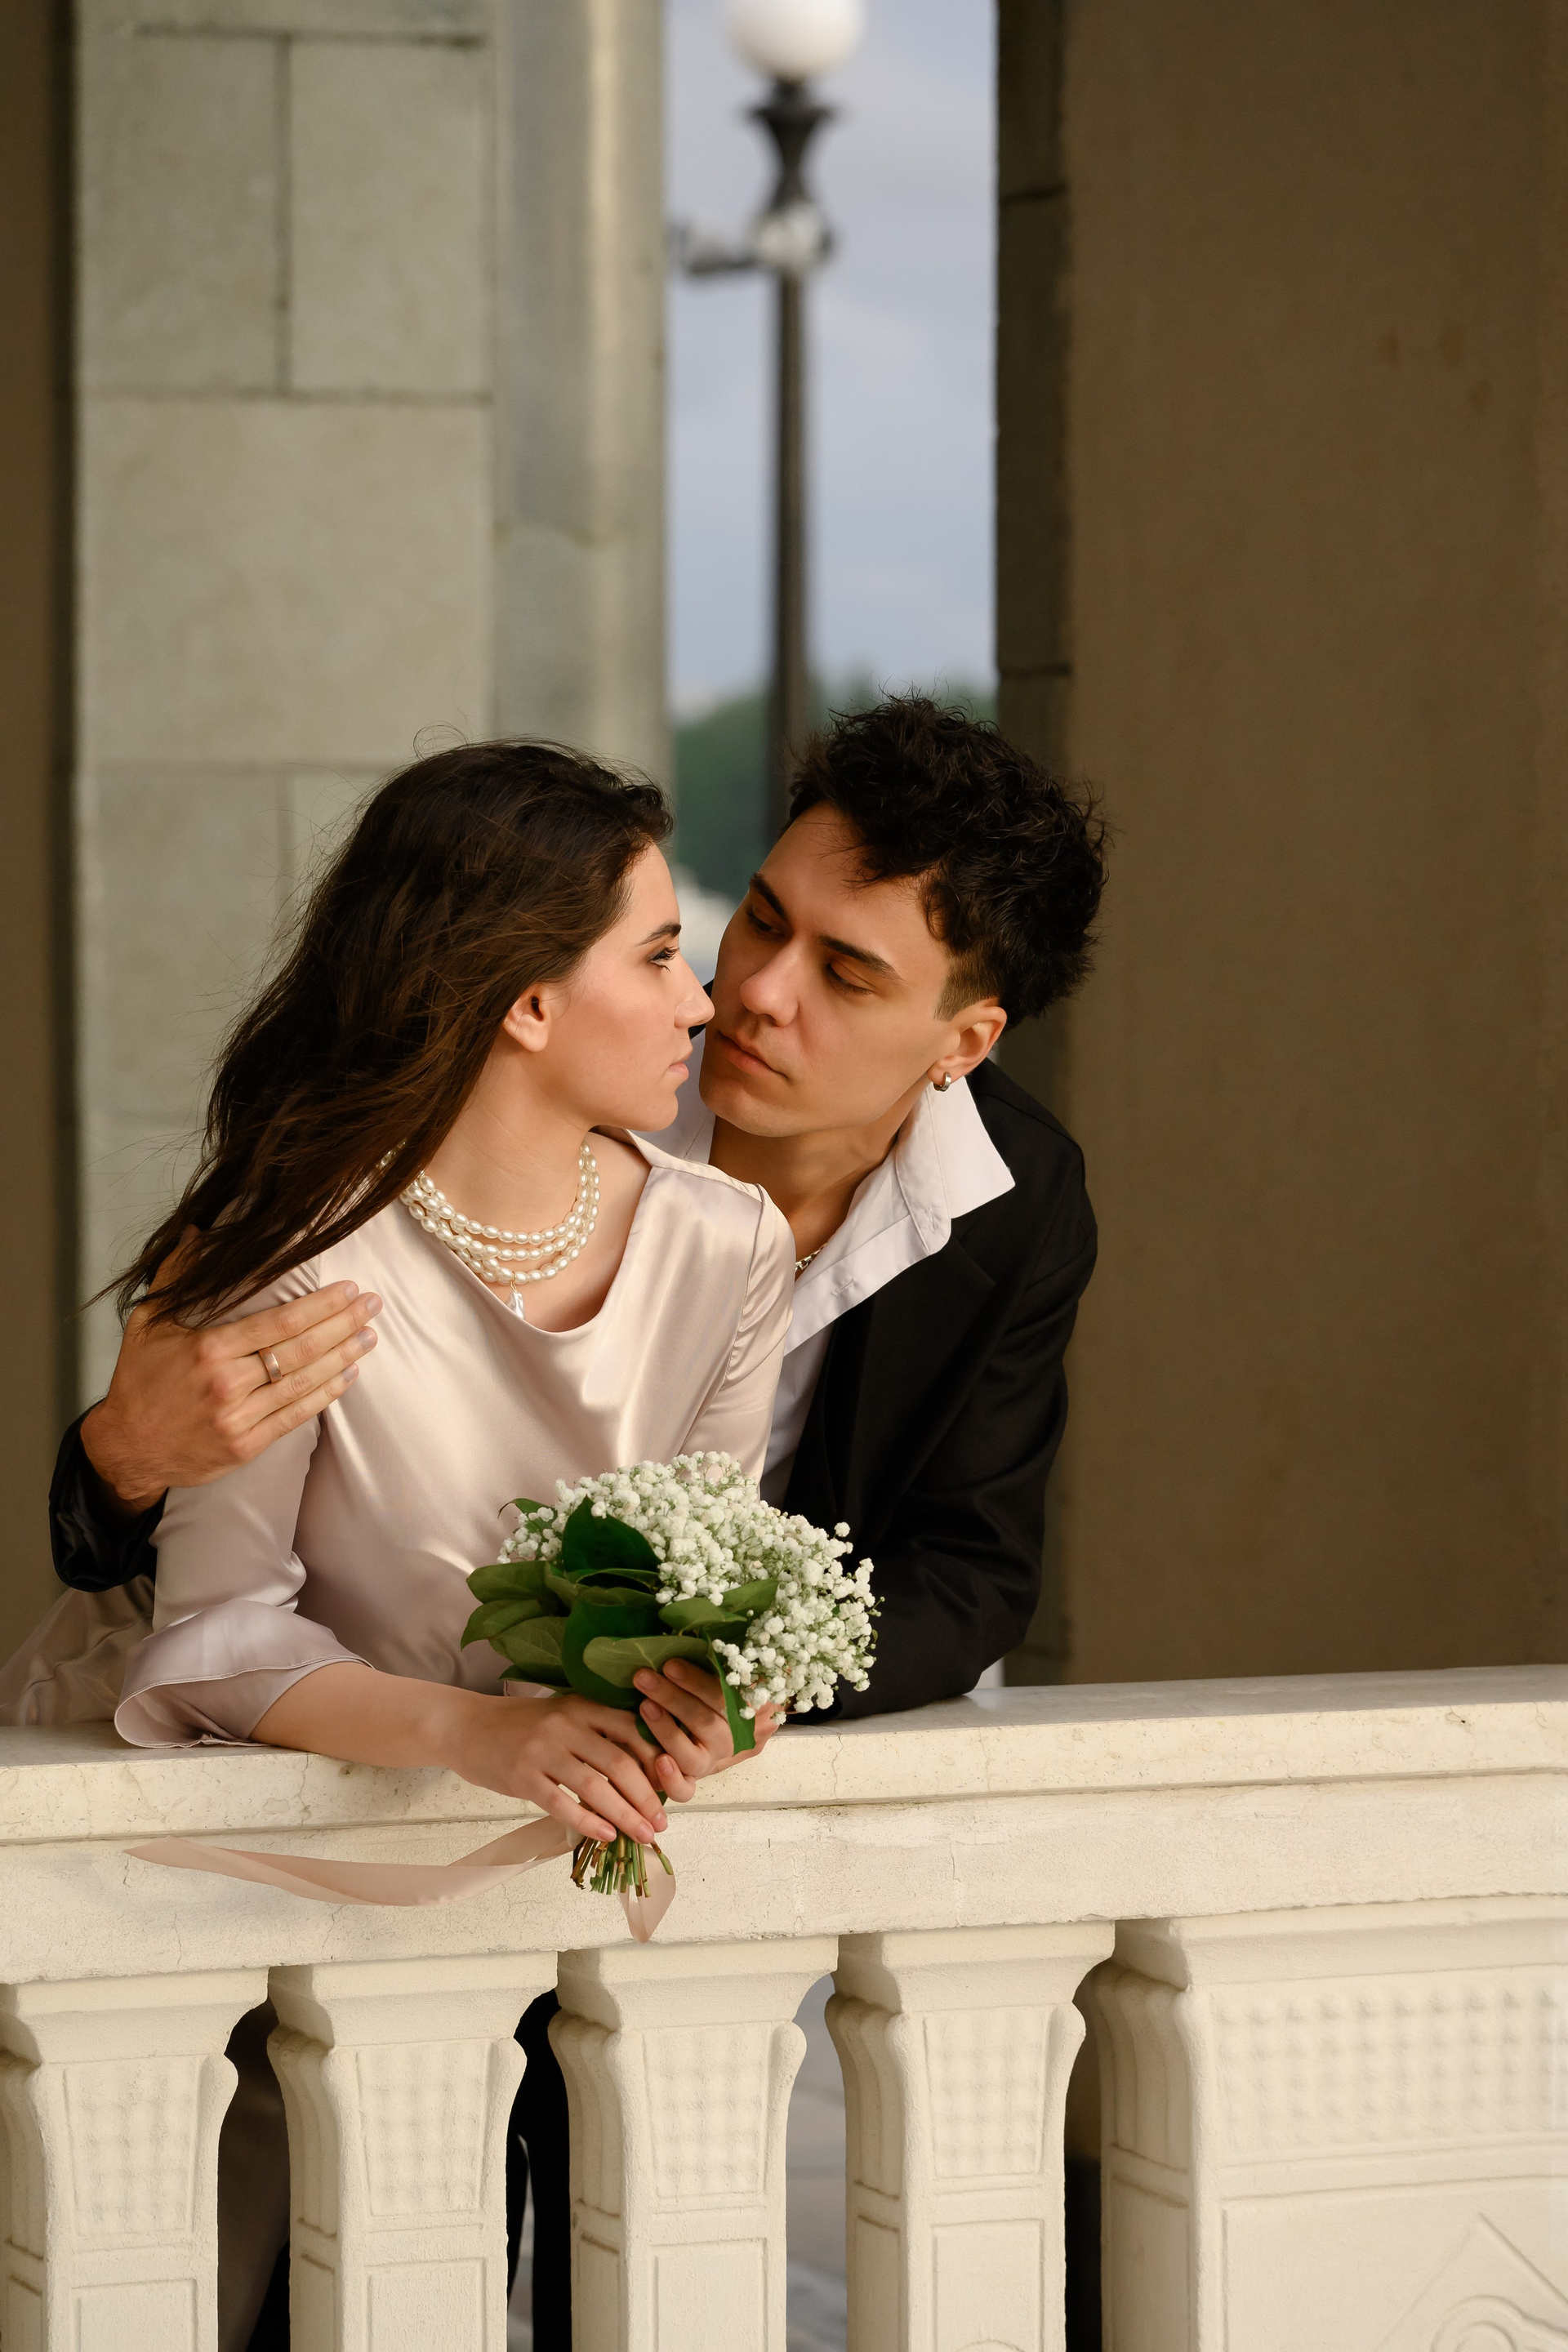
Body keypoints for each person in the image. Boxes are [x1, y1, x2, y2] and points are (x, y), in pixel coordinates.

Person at [36, 695, 1107, 2349]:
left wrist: (733, 1676)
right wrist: (124, 1453)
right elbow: (197, 1543)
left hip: (600, 1793)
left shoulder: (990, 1207)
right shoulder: (500, 1104)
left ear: (963, 1038)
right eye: (757, 920)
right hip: (299, 1763)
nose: (744, 993)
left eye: (846, 973)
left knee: (591, 2243)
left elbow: (968, 1571)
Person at [11, 735, 807, 2350]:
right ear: (528, 1004)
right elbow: (219, 1637)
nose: (702, 999)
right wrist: (480, 1732)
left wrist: (720, 1690)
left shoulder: (728, 1245)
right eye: (660, 954)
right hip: (261, 1883)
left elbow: (714, 1583)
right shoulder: (293, 1253)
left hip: (544, 1891)